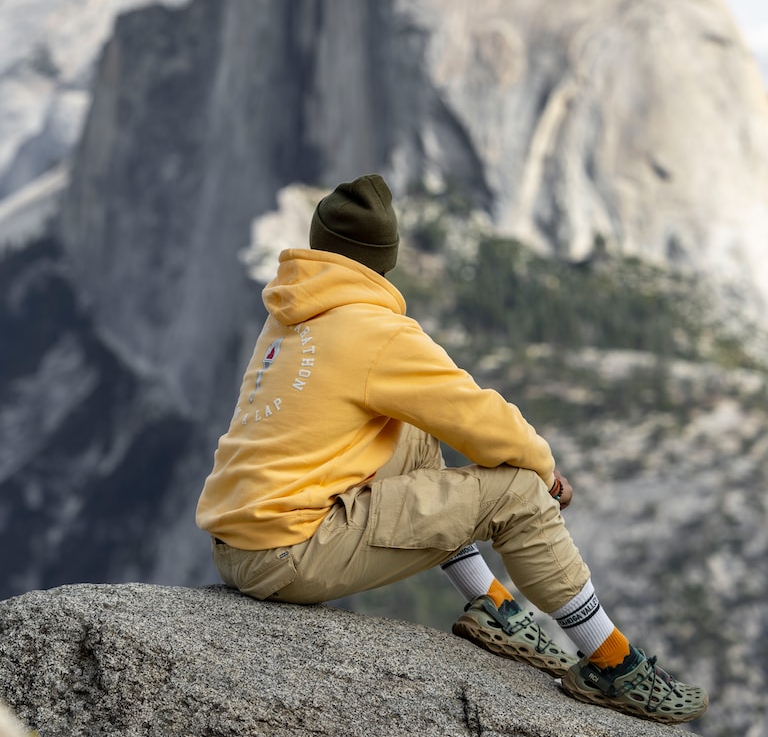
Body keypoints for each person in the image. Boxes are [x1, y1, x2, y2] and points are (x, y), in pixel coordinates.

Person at [197, 174, 708, 726]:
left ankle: (496, 607)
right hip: (290, 553)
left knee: (410, 431)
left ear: (319, 246)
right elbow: (480, 415)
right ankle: (612, 663)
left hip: (238, 543)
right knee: (518, 493)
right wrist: (545, 471)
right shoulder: (375, 332)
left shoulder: (288, 315)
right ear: (384, 258)